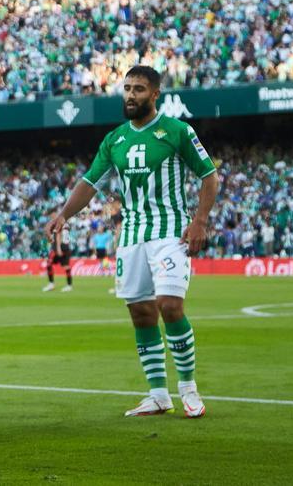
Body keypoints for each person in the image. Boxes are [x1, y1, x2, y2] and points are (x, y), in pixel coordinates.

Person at [46, 65, 218, 418]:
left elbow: (209, 176)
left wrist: (200, 221)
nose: (130, 95)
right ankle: (158, 394)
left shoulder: (177, 131)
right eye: (127, 88)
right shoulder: (115, 140)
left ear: (155, 95)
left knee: (170, 305)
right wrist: (64, 214)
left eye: (139, 89)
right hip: (132, 236)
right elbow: (90, 182)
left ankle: (188, 388)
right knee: (140, 313)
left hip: (170, 233)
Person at [43, 224, 73, 293]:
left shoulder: (58, 223)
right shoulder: (65, 224)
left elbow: (58, 235)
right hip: (66, 247)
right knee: (65, 266)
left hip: (59, 248)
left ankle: (51, 284)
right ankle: (69, 285)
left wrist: (58, 248)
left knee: (50, 264)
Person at [92, 222, 116, 295]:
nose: (100, 229)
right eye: (99, 228)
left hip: (104, 249)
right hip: (98, 249)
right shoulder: (96, 236)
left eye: (101, 228)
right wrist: (95, 250)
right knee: (100, 261)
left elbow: (111, 238)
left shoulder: (106, 235)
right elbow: (95, 244)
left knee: (105, 261)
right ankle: (102, 273)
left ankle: (108, 272)